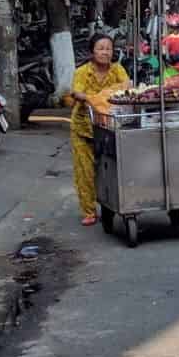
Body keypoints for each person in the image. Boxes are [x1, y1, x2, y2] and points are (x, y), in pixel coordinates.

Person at [63, 32, 129, 226]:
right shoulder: (83, 71)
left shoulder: (117, 69)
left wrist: (109, 93)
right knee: (85, 171)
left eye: (108, 48)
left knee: (113, 168)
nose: (105, 52)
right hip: (83, 128)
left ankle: (116, 202)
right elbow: (76, 91)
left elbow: (127, 84)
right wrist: (89, 98)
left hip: (109, 128)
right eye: (100, 48)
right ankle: (89, 210)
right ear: (92, 51)